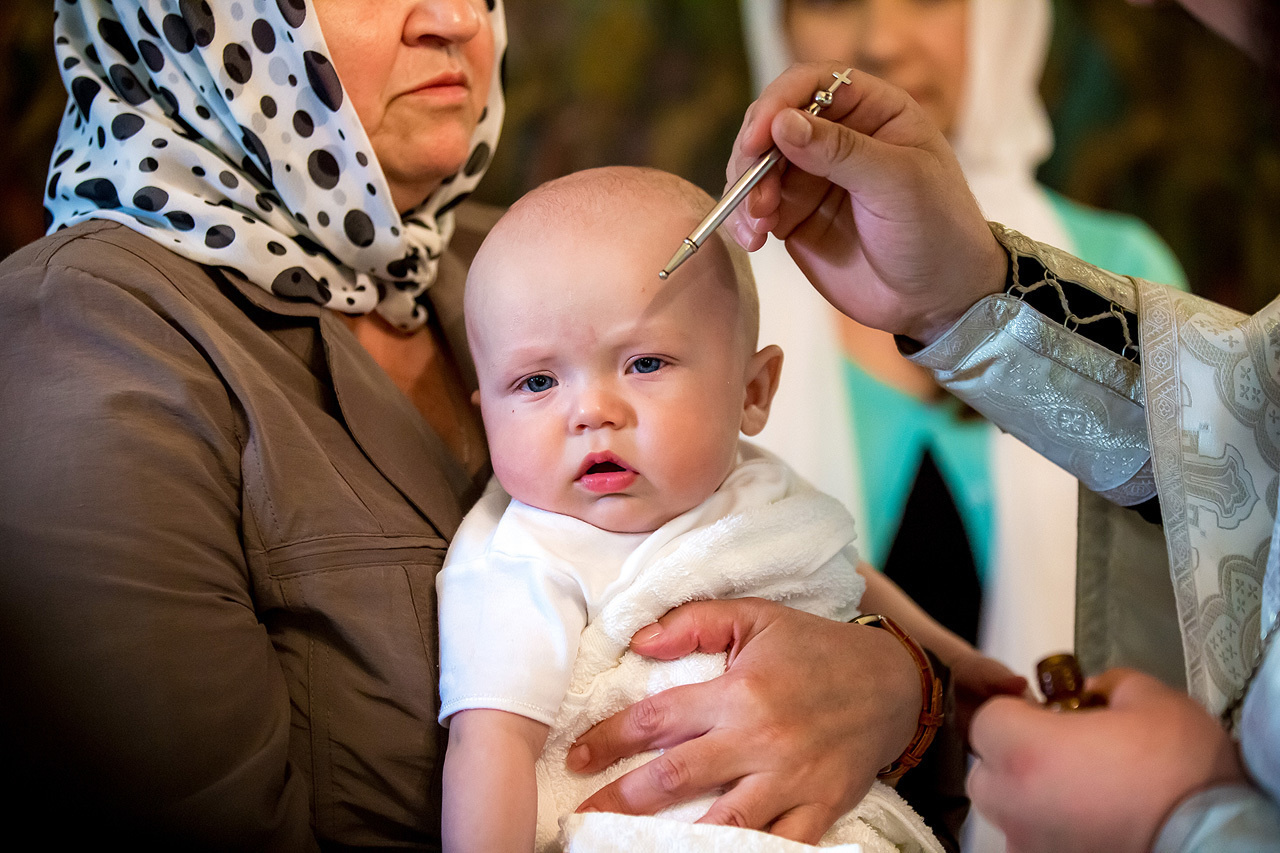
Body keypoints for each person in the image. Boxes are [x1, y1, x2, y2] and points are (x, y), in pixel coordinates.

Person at [0, 1, 945, 849]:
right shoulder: (84, 334)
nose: (456, 19)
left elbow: (769, 549)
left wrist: (896, 684)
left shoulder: (513, 264)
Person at [714, 0, 1280, 847]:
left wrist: (1191, 818)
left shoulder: (1121, 244)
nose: (880, 36)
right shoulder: (726, 295)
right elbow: (1238, 425)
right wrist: (971, 299)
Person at [437, 165, 1019, 851]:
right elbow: (491, 742)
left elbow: (838, 568)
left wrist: (956, 663)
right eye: (537, 381)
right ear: (488, 420)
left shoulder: (753, 487)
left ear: (753, 390)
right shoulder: (523, 556)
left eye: (645, 364)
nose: (592, 411)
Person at [739, 0, 1187, 687]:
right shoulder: (721, 303)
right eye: (830, 0)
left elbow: (1206, 569)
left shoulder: (1122, 280)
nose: (882, 43)